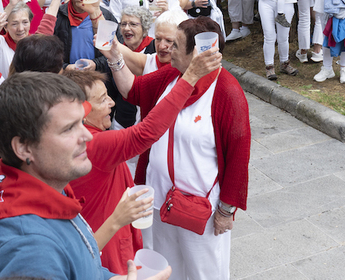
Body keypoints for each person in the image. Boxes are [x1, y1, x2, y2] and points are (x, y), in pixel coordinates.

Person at [0, 72, 171, 280]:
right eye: (69, 129)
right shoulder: (30, 249)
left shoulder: (40, 191)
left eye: (80, 123)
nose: (86, 135)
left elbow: (80, 267)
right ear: (23, 147)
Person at [107, 17, 249, 280]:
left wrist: (226, 211)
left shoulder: (227, 92)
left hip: (199, 210)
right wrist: (115, 57)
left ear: (196, 54)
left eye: (175, 45)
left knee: (204, 274)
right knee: (166, 270)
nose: (167, 50)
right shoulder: (172, 76)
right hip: (159, 201)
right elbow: (132, 90)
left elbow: (239, 158)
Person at [63, 42, 220, 274]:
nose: (112, 103)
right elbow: (146, 132)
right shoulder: (93, 144)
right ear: (81, 112)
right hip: (106, 247)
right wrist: (191, 77)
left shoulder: (67, 137)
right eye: (103, 99)